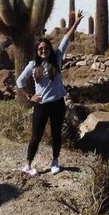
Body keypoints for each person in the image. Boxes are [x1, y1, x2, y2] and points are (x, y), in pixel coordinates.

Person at [17, 9, 85, 176]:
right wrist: (29, 96)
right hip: (41, 106)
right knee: (36, 137)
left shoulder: (57, 59)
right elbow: (19, 82)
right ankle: (28, 164)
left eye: (46, 48)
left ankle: (55, 161)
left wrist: (76, 22)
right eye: (40, 49)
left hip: (57, 104)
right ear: (37, 51)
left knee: (56, 135)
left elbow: (66, 39)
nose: (43, 51)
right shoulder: (32, 65)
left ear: (49, 49)